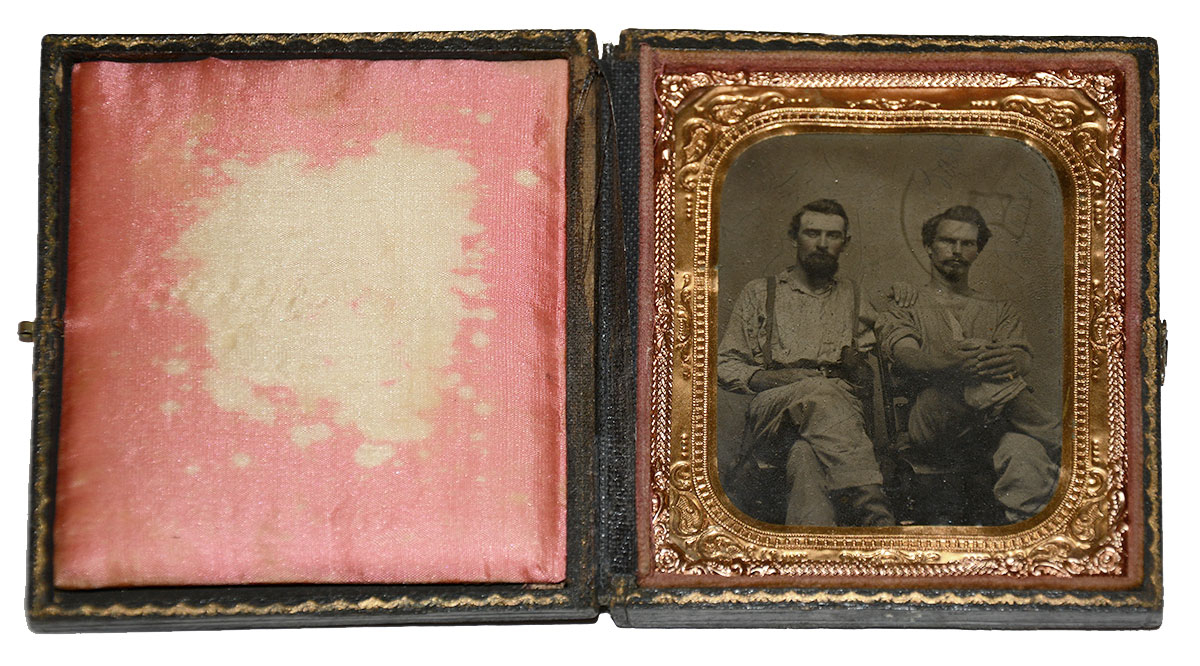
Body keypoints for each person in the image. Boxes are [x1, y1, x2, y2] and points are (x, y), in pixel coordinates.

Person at [717, 199, 899, 527]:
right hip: (774, 413)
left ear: (845, 243)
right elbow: (725, 364)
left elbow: (894, 339)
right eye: (812, 233)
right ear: (794, 237)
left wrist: (910, 295)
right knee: (822, 392)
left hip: (837, 420)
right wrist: (773, 379)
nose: (822, 243)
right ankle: (876, 513)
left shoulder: (855, 295)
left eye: (833, 235)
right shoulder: (760, 292)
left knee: (805, 456)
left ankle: (814, 545)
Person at [875, 205, 1061, 524]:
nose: (957, 250)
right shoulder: (907, 304)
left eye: (967, 243)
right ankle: (1064, 442)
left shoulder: (999, 308)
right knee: (973, 366)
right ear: (929, 245)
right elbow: (907, 357)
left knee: (1025, 452)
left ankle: (1027, 537)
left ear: (978, 250)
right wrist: (953, 364)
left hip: (991, 429)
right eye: (948, 241)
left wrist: (1010, 359)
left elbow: (1022, 358)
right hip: (933, 423)